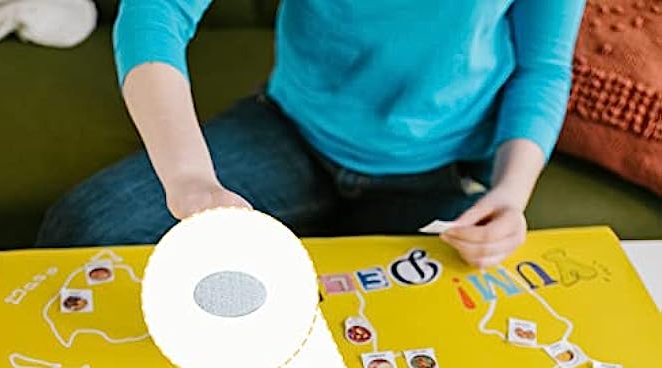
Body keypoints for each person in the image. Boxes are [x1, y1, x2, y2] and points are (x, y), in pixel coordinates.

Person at [36, 0, 586, 268]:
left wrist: (510, 195)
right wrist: (188, 176)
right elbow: (156, 12)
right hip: (289, 128)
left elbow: (543, 67)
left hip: (438, 169)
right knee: (83, 230)